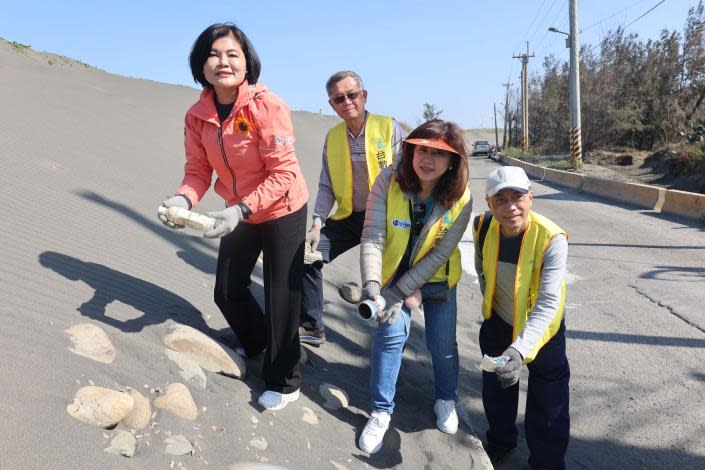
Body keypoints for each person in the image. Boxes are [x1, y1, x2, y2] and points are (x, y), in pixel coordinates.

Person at [157, 23, 308, 411]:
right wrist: (181, 200)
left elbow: (284, 172)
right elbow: (197, 171)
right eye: (213, 54)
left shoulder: (267, 105)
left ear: (247, 62)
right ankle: (257, 343)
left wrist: (240, 210)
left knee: (281, 295)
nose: (222, 61)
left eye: (232, 54)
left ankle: (285, 380)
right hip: (236, 212)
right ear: (201, 64)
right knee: (227, 290)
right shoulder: (197, 115)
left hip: (280, 208)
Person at [356, 119, 472, 453]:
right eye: (423, 149)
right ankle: (381, 411)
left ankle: (445, 399)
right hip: (390, 277)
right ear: (411, 149)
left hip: (437, 281)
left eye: (439, 154)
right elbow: (373, 235)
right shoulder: (387, 181)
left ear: (453, 162)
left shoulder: (461, 198)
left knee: (442, 345)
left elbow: (439, 255)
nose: (428, 160)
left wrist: (400, 290)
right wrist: (374, 286)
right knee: (390, 336)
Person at [473, 166, 570, 469]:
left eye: (518, 197)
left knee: (549, 403)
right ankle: (500, 444)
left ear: (531, 197)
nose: (510, 207)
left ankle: (547, 463)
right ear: (489, 204)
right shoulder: (482, 226)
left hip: (542, 332)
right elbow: (482, 270)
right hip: (498, 322)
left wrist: (519, 349)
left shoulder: (552, 239)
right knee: (497, 392)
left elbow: (549, 303)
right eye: (500, 200)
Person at [299, 71, 403, 345]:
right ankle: (312, 327)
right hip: (349, 219)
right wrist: (317, 224)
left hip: (386, 221)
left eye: (352, 95)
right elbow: (326, 185)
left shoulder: (388, 127)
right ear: (331, 104)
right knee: (307, 257)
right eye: (338, 98)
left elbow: (408, 179)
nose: (346, 101)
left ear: (364, 96)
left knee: (388, 286)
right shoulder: (332, 137)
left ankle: (387, 345)